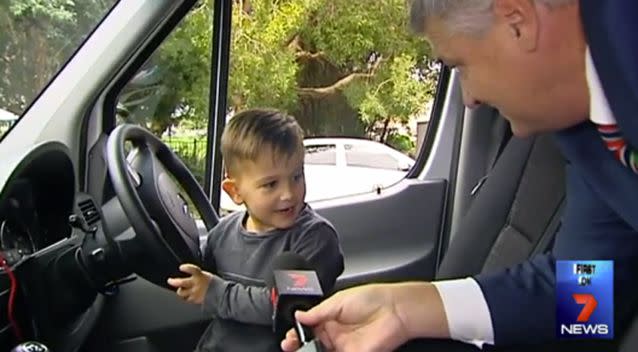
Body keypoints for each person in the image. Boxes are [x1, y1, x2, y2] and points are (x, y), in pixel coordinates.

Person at [281, 0, 638, 351]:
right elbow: (588, 298)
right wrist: (404, 309)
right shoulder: (589, 135)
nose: (469, 99)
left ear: (518, 21)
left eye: (461, 67)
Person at [167, 108, 344, 352]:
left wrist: (216, 292)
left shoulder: (314, 239)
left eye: (296, 176)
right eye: (271, 184)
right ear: (235, 192)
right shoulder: (222, 234)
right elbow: (199, 274)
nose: (289, 194)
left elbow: (283, 307)